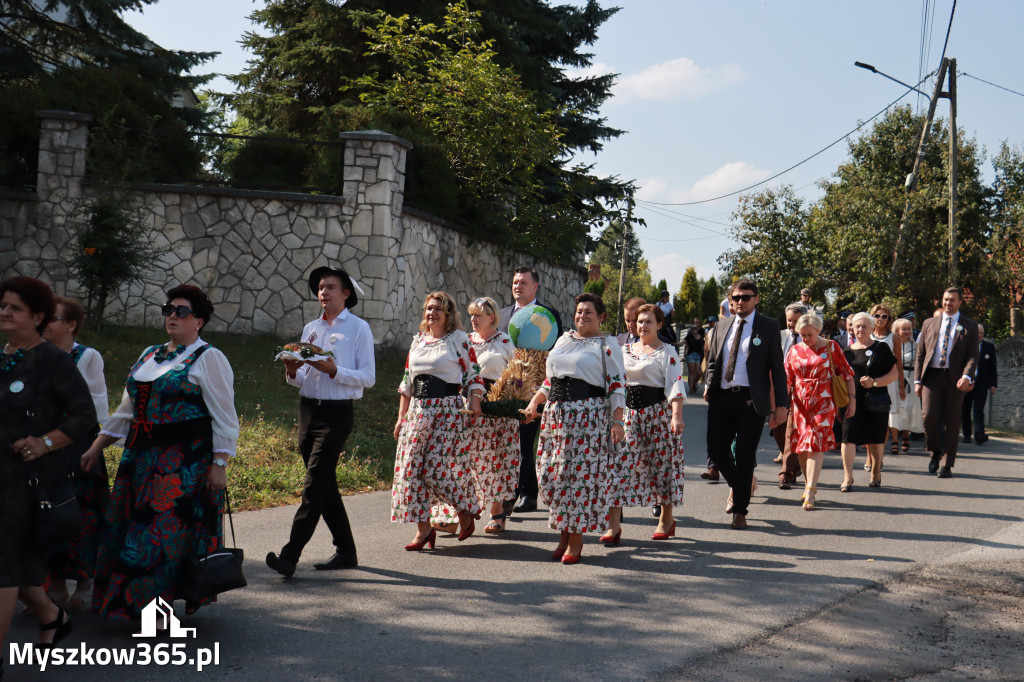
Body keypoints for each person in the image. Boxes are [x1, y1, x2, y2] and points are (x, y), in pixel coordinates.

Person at [83, 284, 239, 621]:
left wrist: (220, 463)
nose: (172, 315)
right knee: (128, 530)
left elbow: (225, 416)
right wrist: (97, 446)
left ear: (198, 321)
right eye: (168, 309)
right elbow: (127, 411)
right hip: (139, 461)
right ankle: (132, 605)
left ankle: (150, 611)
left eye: (181, 311)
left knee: (160, 536)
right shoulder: (149, 354)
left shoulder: (208, 357)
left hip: (182, 465)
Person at [1, 277, 95, 653]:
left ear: (38, 316)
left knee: (5, 568)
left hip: (24, 484)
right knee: (14, 565)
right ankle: (52, 617)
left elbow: (85, 415)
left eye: (15, 307)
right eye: (2, 305)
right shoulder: (2, 357)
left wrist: (45, 442)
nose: (5, 312)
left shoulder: (53, 361)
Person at [266, 266, 375, 578]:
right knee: (324, 484)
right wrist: (291, 370)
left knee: (314, 484)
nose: (324, 292)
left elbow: (368, 377)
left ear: (346, 293)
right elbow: (303, 377)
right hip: (308, 412)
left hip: (337, 414)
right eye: (321, 288)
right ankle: (347, 550)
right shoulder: (311, 328)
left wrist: (334, 369)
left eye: (330, 287)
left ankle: (290, 555)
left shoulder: (358, 329)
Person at [522, 292, 626, 564]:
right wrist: (535, 402)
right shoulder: (563, 340)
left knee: (577, 480)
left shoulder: (607, 343)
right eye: (579, 311)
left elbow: (617, 385)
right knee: (552, 476)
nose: (582, 316)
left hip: (587, 418)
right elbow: (549, 379)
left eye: (589, 312)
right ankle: (564, 534)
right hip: (555, 417)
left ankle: (574, 539)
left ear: (601, 316)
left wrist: (617, 421)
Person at [392, 292, 484, 550]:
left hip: (447, 412)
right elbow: (407, 382)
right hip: (418, 412)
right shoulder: (418, 341)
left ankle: (465, 513)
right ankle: (424, 531)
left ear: (448, 314)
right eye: (429, 308)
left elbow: (474, 375)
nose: (432, 313)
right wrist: (401, 417)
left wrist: (475, 400)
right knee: (411, 472)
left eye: (438, 309)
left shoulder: (458, 340)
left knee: (437, 471)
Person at [41, 296, 109, 610]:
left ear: (71, 324)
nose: (45, 324)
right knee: (48, 515)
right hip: (44, 447)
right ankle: (54, 584)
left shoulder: (87, 356)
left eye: (52, 318)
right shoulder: (32, 354)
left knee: (81, 514)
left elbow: (94, 407)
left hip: (78, 446)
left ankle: (84, 581)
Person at [703, 279, 788, 529]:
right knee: (717, 451)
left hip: (751, 400)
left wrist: (781, 404)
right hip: (721, 397)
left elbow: (777, 368)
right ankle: (740, 485)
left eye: (746, 297)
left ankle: (740, 510)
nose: (740, 301)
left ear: (756, 299)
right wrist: (709, 384)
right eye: (736, 297)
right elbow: (712, 360)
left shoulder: (769, 326)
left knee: (744, 454)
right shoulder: (722, 325)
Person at [429, 297, 518, 534]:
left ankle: (497, 511)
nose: (473, 319)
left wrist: (512, 400)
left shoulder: (504, 341)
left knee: (494, 460)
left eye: (478, 315)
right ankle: (453, 512)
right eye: (471, 315)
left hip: (496, 409)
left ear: (492, 317)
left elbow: (517, 375)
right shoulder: (465, 340)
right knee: (461, 461)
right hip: (466, 407)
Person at [605, 304, 685, 541]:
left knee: (663, 467)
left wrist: (676, 415)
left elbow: (675, 385)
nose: (643, 326)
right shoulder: (624, 350)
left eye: (648, 321)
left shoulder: (667, 351)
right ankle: (613, 526)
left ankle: (666, 521)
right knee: (618, 466)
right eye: (639, 321)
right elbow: (615, 383)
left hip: (657, 416)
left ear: (659, 324)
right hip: (628, 417)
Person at [498, 266, 563, 515]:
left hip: (534, 387)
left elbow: (555, 353)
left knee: (525, 441)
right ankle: (505, 493)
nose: (517, 286)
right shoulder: (502, 316)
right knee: (506, 441)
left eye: (523, 282)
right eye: (515, 282)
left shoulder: (547, 315)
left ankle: (527, 493)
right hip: (505, 387)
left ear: (535, 286)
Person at [785, 314, 855, 510]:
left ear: (818, 330)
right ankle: (809, 483)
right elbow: (787, 379)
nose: (805, 338)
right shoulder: (795, 350)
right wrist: (780, 405)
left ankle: (810, 490)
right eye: (802, 335)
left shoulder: (832, 347)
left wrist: (852, 401)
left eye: (809, 334)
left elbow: (847, 375)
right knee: (801, 446)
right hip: (799, 403)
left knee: (815, 443)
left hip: (824, 402)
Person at [914, 288, 980, 478]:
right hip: (932, 377)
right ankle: (935, 451)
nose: (948, 303)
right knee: (928, 417)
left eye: (952, 300)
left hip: (955, 380)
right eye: (945, 299)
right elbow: (920, 354)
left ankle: (947, 464)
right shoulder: (929, 323)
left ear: (960, 302)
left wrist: (967, 377)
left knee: (952, 422)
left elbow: (973, 355)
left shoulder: (970, 325)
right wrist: (918, 380)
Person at [840, 312, 898, 490]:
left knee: (875, 439)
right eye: (857, 325)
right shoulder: (846, 352)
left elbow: (894, 374)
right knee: (847, 437)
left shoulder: (881, 348)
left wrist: (874, 382)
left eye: (865, 325)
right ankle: (848, 477)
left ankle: (875, 471)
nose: (860, 329)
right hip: (851, 400)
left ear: (872, 328)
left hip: (875, 400)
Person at [773, 303, 806, 488]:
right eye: (789, 320)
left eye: (795, 320)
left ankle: (785, 472)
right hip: (779, 387)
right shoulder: (779, 336)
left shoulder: (809, 338)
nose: (792, 324)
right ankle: (794, 465)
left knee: (792, 429)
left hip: (800, 389)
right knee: (778, 426)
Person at [870, 304, 905, 456]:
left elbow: (898, 364)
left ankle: (879, 456)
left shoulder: (894, 338)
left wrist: (901, 387)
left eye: (884, 316)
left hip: (888, 382)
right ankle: (870, 457)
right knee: (868, 419)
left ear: (889, 319)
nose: (880, 319)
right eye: (877, 316)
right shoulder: (866, 334)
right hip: (868, 381)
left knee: (883, 420)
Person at [888, 317, 921, 452]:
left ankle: (906, 436)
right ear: (897, 330)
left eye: (909, 329)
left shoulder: (916, 345)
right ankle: (895, 440)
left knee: (909, 409)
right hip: (894, 378)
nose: (907, 331)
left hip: (911, 378)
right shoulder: (891, 344)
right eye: (904, 329)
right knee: (895, 409)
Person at [962, 324, 997, 446]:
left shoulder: (989, 347)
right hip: (967, 382)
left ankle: (979, 435)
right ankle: (967, 434)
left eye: (981, 333)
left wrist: (993, 384)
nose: (979, 335)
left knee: (978, 410)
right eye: (977, 332)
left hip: (982, 384)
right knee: (965, 409)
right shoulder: (965, 346)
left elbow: (993, 367)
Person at [683, 317, 705, 394]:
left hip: (700, 354)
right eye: (695, 322)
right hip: (691, 353)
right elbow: (686, 342)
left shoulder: (702, 331)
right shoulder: (690, 331)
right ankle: (691, 388)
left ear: (701, 323)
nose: (696, 324)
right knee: (692, 372)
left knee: (699, 373)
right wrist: (684, 351)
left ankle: (694, 384)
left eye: (698, 322)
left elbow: (704, 343)